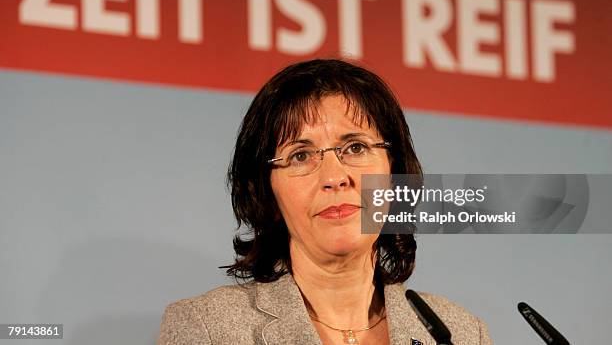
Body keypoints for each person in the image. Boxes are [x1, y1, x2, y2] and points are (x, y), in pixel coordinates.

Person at [157, 59, 492, 344]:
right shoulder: (208, 328)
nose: (334, 176)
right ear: (267, 193)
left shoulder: (460, 333)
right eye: (301, 155)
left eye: (356, 147)